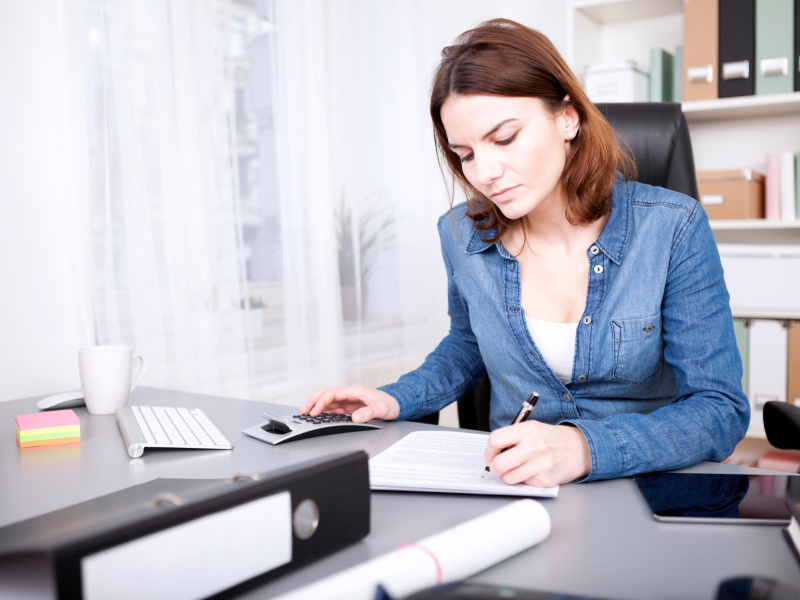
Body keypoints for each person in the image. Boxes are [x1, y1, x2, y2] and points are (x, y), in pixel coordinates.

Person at [300, 19, 750, 486]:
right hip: (515, 484)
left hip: (647, 486)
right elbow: (469, 343)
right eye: (465, 154)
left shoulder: (673, 227)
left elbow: (719, 409)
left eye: (504, 138)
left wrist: (584, 447)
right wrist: (395, 398)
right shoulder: (460, 235)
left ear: (568, 119)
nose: (486, 172)